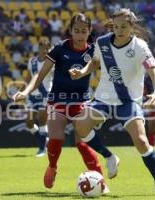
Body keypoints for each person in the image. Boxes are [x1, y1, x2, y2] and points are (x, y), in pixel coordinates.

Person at [69, 9, 155, 196]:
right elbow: (95, 62)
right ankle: (109, 157)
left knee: (140, 141)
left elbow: (154, 72)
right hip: (103, 98)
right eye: (116, 26)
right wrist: (82, 72)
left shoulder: (140, 47)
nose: (119, 30)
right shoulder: (102, 42)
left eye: (124, 26)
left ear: (132, 26)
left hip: (128, 100)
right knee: (80, 125)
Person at [13, 13, 118, 190]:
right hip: (57, 101)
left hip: (81, 101)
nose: (79, 35)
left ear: (89, 31)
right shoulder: (60, 48)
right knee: (56, 138)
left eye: (83, 31)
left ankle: (100, 182)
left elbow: (108, 72)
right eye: (76, 31)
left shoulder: (93, 50)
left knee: (82, 142)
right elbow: (40, 74)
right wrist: (26, 91)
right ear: (70, 31)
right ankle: (52, 166)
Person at [25, 39, 52, 157]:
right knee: (29, 123)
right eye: (43, 48)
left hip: (46, 94)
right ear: (39, 48)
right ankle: (44, 141)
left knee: (42, 121)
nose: (45, 50)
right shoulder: (32, 62)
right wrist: (24, 92)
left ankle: (42, 149)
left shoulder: (52, 62)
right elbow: (28, 77)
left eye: (47, 48)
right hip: (33, 95)